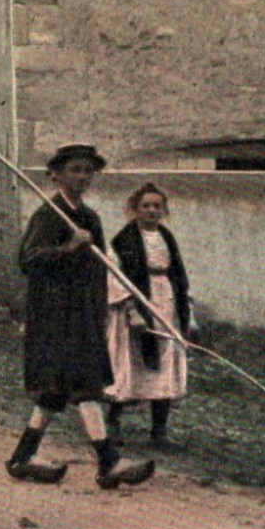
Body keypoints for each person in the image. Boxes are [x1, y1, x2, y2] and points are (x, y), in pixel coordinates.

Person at [7, 143, 155, 490]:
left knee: (55, 393)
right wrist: (67, 248)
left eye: (88, 171)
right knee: (85, 387)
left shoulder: (91, 219)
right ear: (56, 175)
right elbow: (27, 261)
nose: (82, 177)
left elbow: (102, 268)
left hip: (85, 314)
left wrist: (124, 307)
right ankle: (109, 462)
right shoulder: (49, 215)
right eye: (75, 170)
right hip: (55, 316)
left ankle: (22, 457)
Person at [105, 182, 191, 450]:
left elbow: (178, 275)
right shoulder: (125, 240)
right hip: (137, 309)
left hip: (165, 303)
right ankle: (113, 426)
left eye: (157, 206)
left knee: (165, 366)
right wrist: (132, 311)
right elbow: (115, 277)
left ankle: (159, 432)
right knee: (130, 365)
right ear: (134, 209)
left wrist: (186, 314)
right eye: (146, 206)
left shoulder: (166, 236)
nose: (152, 211)